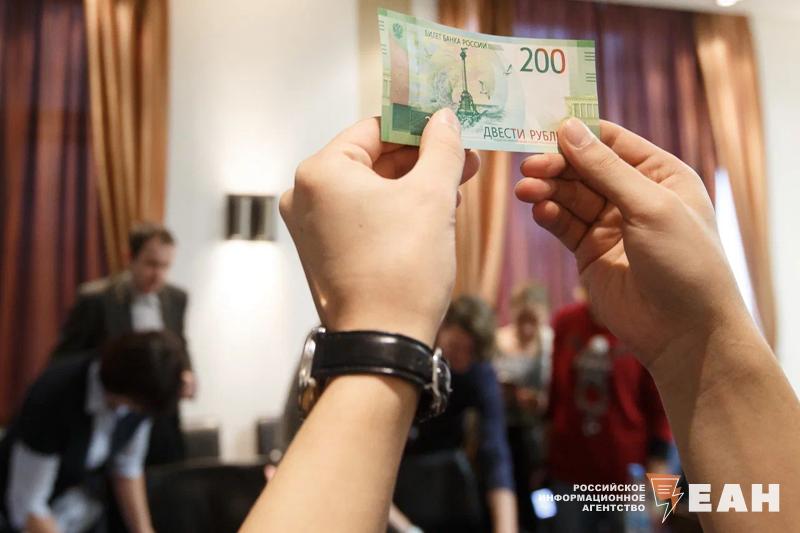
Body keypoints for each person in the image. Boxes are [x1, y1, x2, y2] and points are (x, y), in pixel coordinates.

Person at [239, 111, 800, 533]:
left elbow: (507, 450)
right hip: (568, 474)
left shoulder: (565, 341)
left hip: (627, 478)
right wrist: (699, 335)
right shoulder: (574, 322)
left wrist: (697, 344)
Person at [0, 331, 185, 533]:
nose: (137, 413)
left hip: (75, 507)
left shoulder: (141, 402)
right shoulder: (54, 395)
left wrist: (144, 530)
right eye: (137, 406)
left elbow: (127, 469)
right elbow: (28, 505)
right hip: (18, 509)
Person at [52, 222, 194, 466]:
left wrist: (187, 372)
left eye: (165, 266)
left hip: (161, 416)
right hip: (113, 415)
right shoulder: (96, 299)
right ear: (130, 258)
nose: (158, 275)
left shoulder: (176, 298)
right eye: (151, 264)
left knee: (170, 476)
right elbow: (65, 360)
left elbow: (180, 342)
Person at [390, 295, 516, 533]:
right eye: (455, 347)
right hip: (398, 474)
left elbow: (495, 451)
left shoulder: (480, 372)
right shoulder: (411, 358)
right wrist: (406, 529)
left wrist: (506, 527)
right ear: (442, 327)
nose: (461, 359)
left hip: (447, 481)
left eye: (470, 353)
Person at [546, 296, 672, 532]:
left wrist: (659, 482)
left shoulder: (643, 327)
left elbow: (661, 409)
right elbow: (555, 396)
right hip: (570, 472)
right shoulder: (566, 322)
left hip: (627, 477)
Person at [494, 283, 553, 530]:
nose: (527, 328)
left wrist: (539, 401)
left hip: (539, 433)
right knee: (509, 490)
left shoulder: (549, 342)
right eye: (521, 320)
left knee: (542, 499)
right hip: (504, 431)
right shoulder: (498, 341)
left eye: (533, 321)